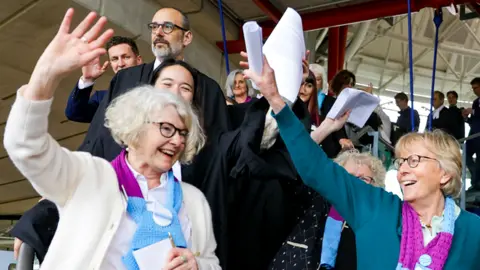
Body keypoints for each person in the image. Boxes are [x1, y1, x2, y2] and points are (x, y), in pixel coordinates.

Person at [4, 9, 220, 269]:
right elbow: (38, 146)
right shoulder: (97, 178)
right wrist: (45, 76)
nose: (173, 138)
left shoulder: (194, 202)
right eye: (154, 26)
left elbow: (209, 260)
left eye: (184, 89)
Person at [243, 54, 480, 269]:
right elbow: (316, 167)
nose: (402, 171)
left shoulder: (473, 232)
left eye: (414, 160)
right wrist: (275, 98)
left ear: (444, 173)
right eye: (400, 162)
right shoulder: (375, 207)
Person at [78, 7, 229, 161]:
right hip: (118, 179)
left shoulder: (209, 90)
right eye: (154, 27)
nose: (158, 32)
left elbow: (219, 151)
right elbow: (98, 134)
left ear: (187, 37)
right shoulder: (125, 78)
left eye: (167, 27)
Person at [270, 149, 386, 270]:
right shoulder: (317, 198)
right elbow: (295, 172)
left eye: (363, 179)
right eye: (347, 176)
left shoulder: (376, 221)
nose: (353, 183)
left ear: (375, 185)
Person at [65, 36, 143, 122]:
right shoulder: (102, 98)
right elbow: (74, 113)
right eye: (115, 59)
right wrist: (87, 79)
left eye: (126, 57)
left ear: (138, 60)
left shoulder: (157, 86)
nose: (120, 64)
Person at [465, 78, 480, 191]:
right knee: (465, 155)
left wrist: (473, 111)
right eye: (473, 88)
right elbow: (475, 120)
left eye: (476, 88)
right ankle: (476, 178)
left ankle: (476, 183)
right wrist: (467, 118)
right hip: (473, 134)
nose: (474, 90)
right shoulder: (475, 102)